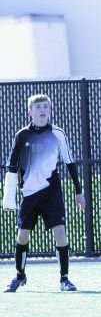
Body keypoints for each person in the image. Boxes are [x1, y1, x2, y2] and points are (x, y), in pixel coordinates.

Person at [2, 93, 85, 292]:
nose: (42, 110)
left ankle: (64, 278)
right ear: (30, 111)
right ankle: (20, 276)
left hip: (51, 191)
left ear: (50, 111)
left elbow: (70, 163)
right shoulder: (22, 135)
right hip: (29, 193)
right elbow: (12, 167)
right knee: (22, 236)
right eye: (38, 107)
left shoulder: (58, 134)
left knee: (60, 233)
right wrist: (8, 197)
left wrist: (78, 192)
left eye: (45, 107)